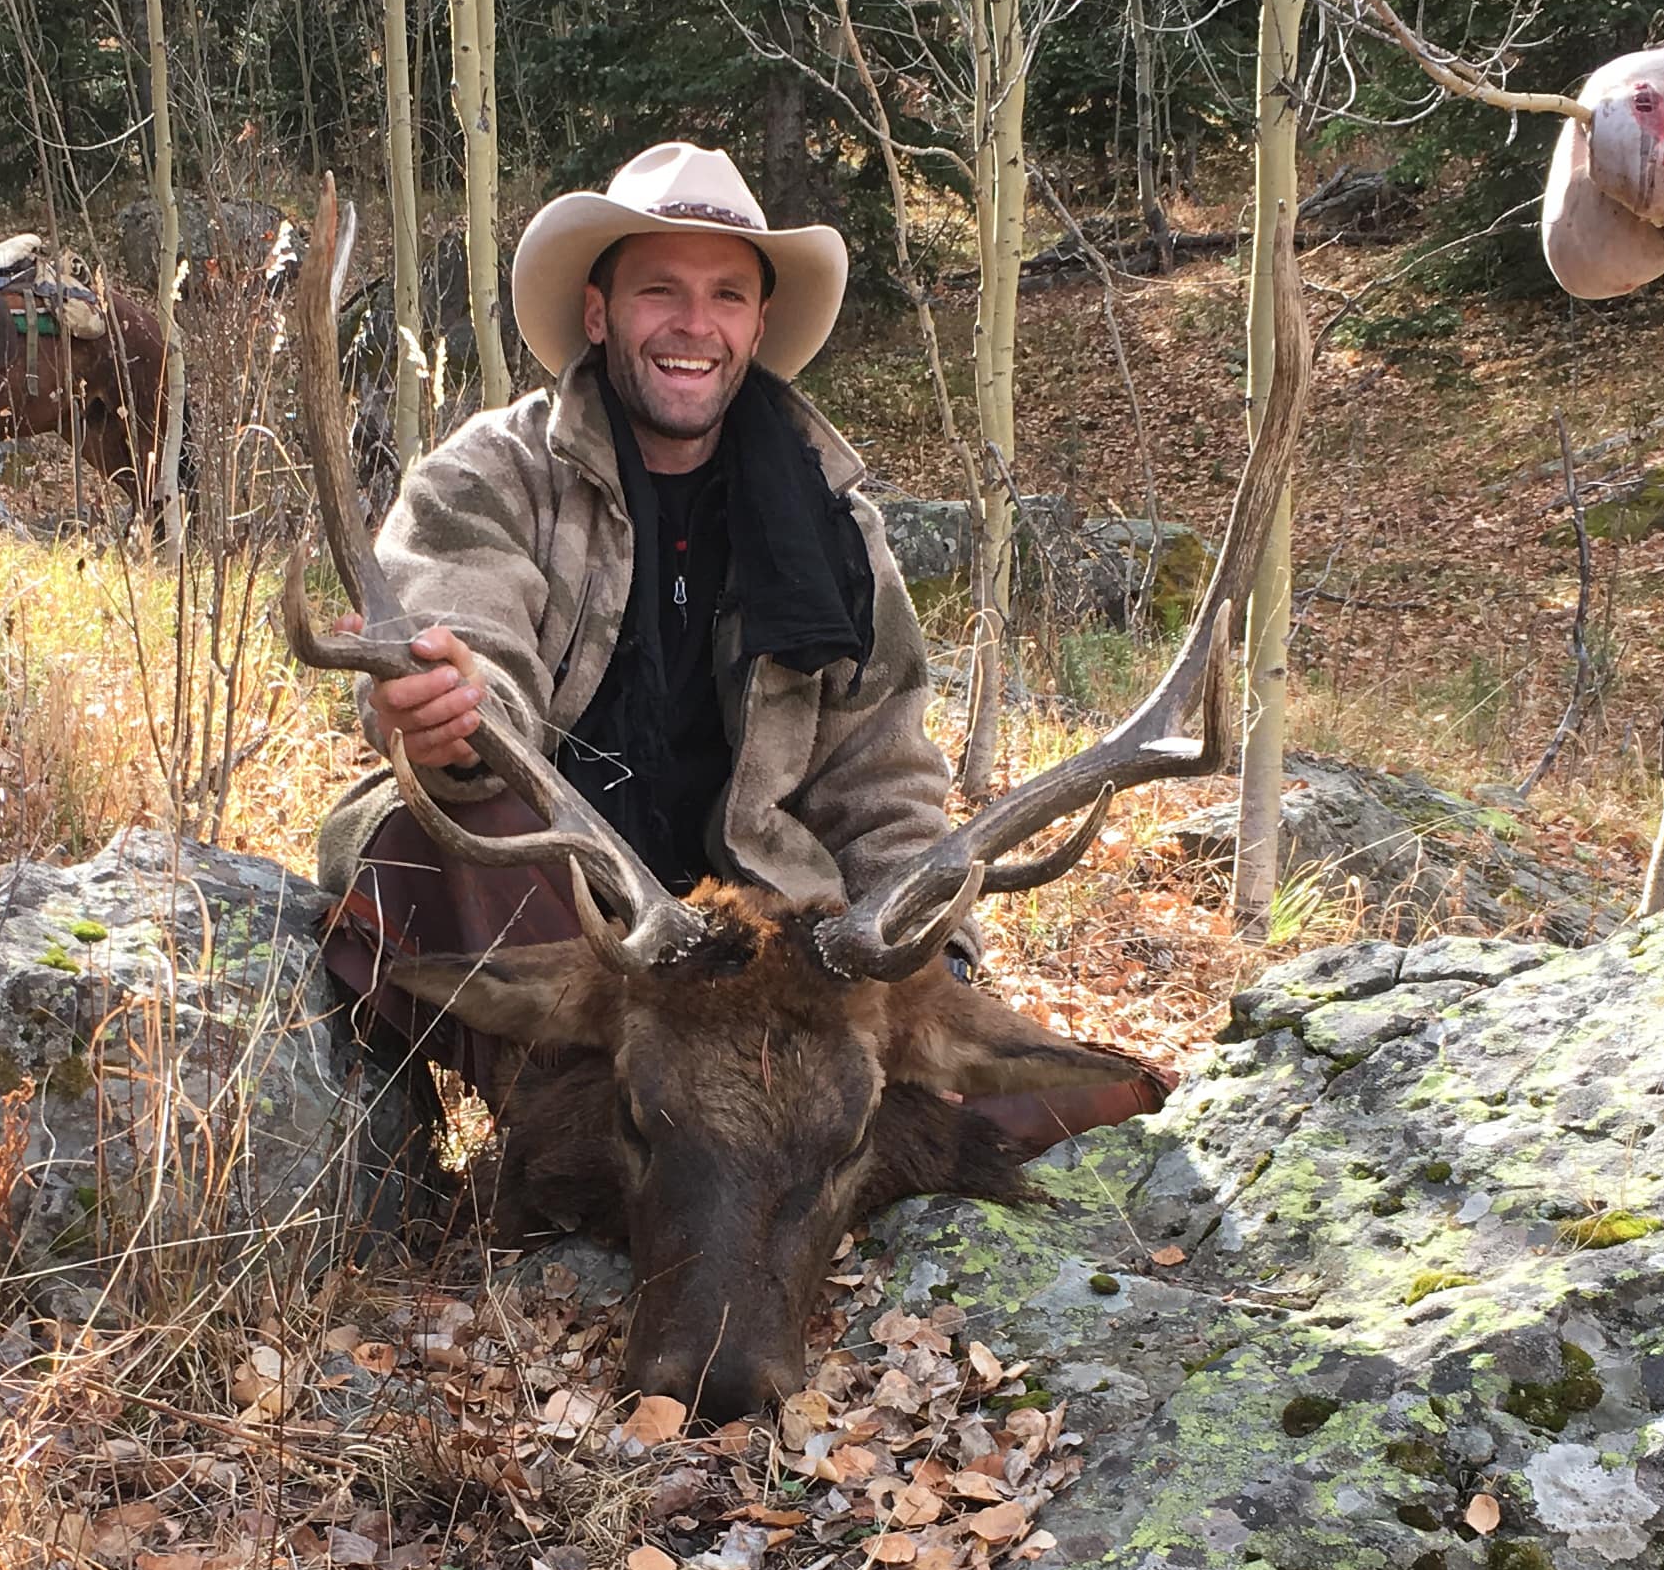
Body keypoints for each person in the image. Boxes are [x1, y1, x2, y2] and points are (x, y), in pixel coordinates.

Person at [313, 141, 1161, 1219]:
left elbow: (882, 783)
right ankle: (734, 1154)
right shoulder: (486, 476)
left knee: (1045, 1079)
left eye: (724, 294)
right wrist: (455, 714)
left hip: (764, 952)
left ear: (756, 327)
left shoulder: (837, 531)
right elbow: (465, 633)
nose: (691, 322)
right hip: (583, 914)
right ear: (597, 310)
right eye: (657, 289)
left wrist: (931, 962)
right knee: (410, 847)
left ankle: (651, 1155)